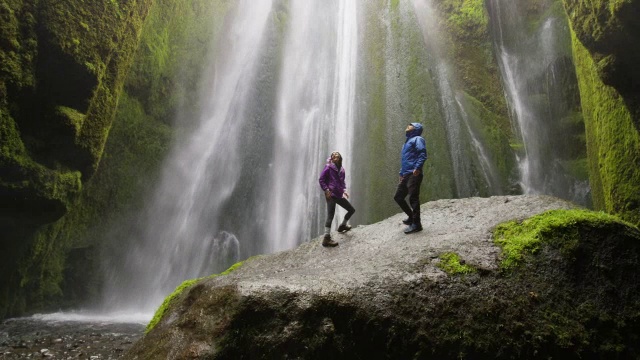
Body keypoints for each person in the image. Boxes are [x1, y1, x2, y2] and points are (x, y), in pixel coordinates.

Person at [394, 122, 427, 234]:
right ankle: (412, 217)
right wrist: (401, 173)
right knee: (398, 197)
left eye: (411, 125)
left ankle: (417, 224)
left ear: (416, 128)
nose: (408, 125)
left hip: (414, 174)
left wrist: (417, 168)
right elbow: (405, 160)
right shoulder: (407, 142)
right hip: (406, 174)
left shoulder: (418, 139)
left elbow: (422, 153)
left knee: (413, 198)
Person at [318, 151, 355, 247]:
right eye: (333, 156)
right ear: (331, 158)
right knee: (330, 216)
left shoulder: (342, 170)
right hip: (331, 195)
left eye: (337, 156)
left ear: (340, 158)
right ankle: (326, 238)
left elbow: (342, 182)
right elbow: (321, 179)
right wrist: (326, 190)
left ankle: (342, 226)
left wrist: (345, 191)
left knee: (351, 210)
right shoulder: (328, 167)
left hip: (338, 194)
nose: (335, 157)